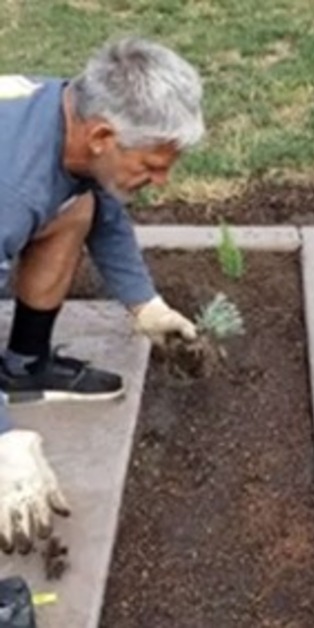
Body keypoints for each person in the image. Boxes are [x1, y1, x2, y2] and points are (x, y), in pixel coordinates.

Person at [0, 38, 204, 553]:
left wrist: (146, 305)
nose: (162, 180)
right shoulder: (11, 192)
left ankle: (24, 364)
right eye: (153, 165)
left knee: (74, 207)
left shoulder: (68, 112)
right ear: (103, 136)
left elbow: (101, 204)